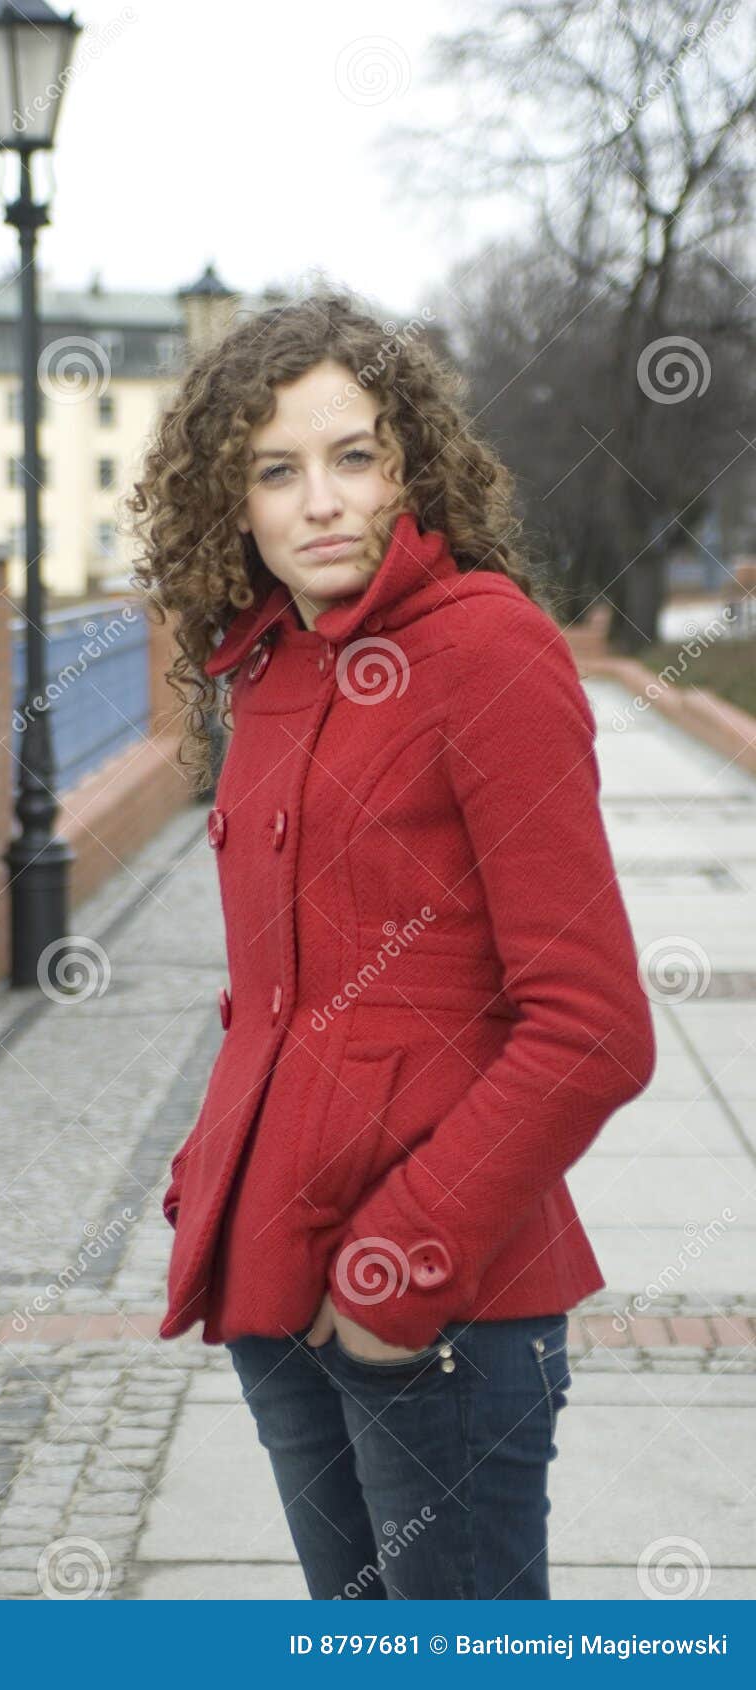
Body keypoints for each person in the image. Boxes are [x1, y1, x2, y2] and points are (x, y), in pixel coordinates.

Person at [124, 290, 656, 1600]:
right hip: (279, 1297)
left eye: (355, 455)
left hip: (441, 1311)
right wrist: (213, 1175)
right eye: (277, 469)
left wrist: (391, 1268)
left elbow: (592, 1027)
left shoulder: (486, 649)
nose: (321, 501)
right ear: (230, 498)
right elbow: (280, 994)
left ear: (413, 462)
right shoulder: (268, 665)